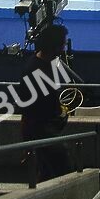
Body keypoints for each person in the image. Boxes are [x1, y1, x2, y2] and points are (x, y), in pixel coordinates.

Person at [19, 24, 74, 182]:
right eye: (62, 44)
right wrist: (27, 145)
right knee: (61, 173)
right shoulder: (32, 72)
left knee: (48, 173)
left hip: (51, 128)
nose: (64, 48)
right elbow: (26, 112)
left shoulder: (51, 63)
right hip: (42, 132)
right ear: (54, 47)